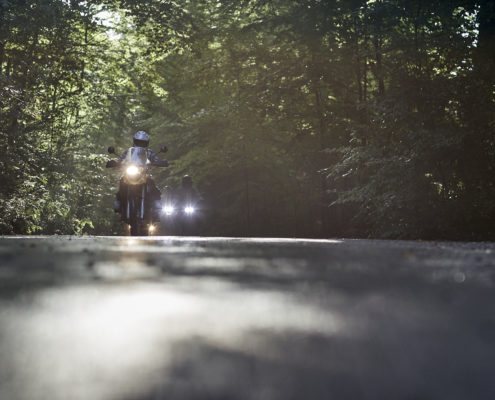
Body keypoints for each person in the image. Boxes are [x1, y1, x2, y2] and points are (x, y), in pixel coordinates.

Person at [108, 131, 167, 220]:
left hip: (144, 174)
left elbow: (155, 159)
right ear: (134, 141)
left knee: (153, 185)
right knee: (122, 181)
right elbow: (121, 159)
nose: (140, 144)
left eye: (143, 142)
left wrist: (159, 162)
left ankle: (156, 208)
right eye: (139, 142)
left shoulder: (150, 152)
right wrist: (115, 163)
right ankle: (119, 204)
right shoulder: (129, 152)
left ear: (146, 143)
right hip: (131, 173)